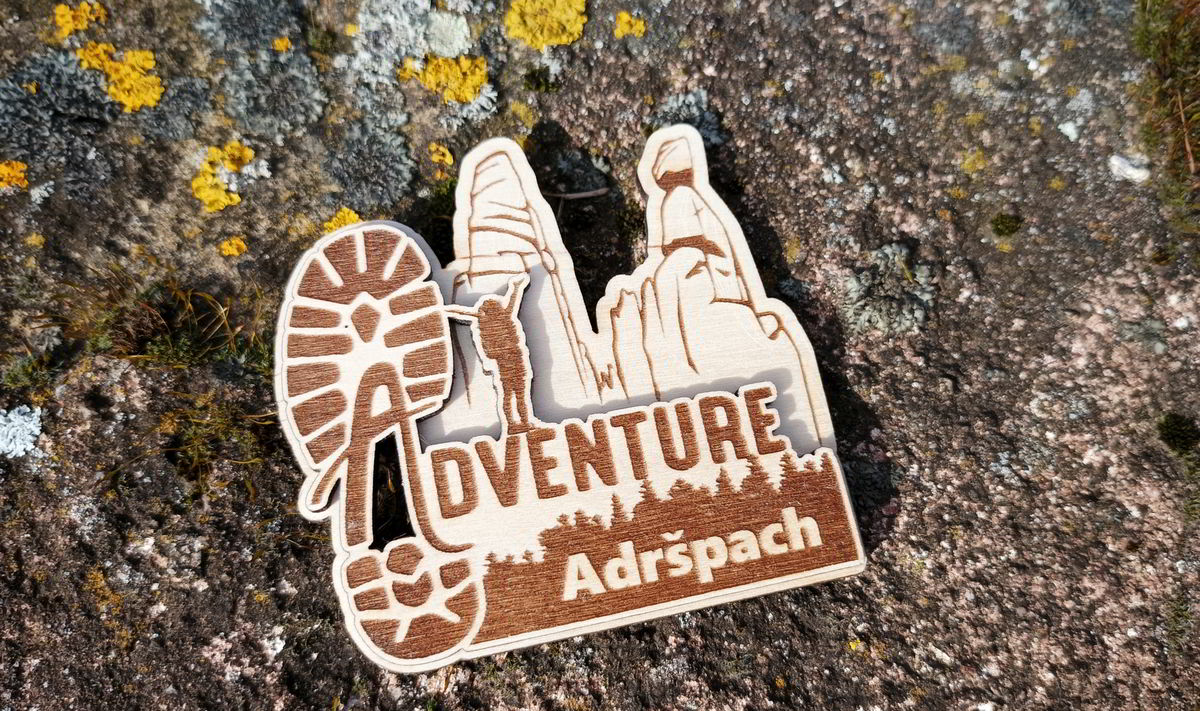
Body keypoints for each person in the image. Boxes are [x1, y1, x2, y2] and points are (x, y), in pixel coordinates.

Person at [445, 275, 535, 433]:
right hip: (512, 361)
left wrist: (444, 310)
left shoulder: (491, 319)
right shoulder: (503, 316)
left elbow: (461, 312)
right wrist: (516, 287)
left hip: (510, 362)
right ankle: (517, 422)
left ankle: (518, 422)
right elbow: (512, 300)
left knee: (512, 393)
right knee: (516, 393)